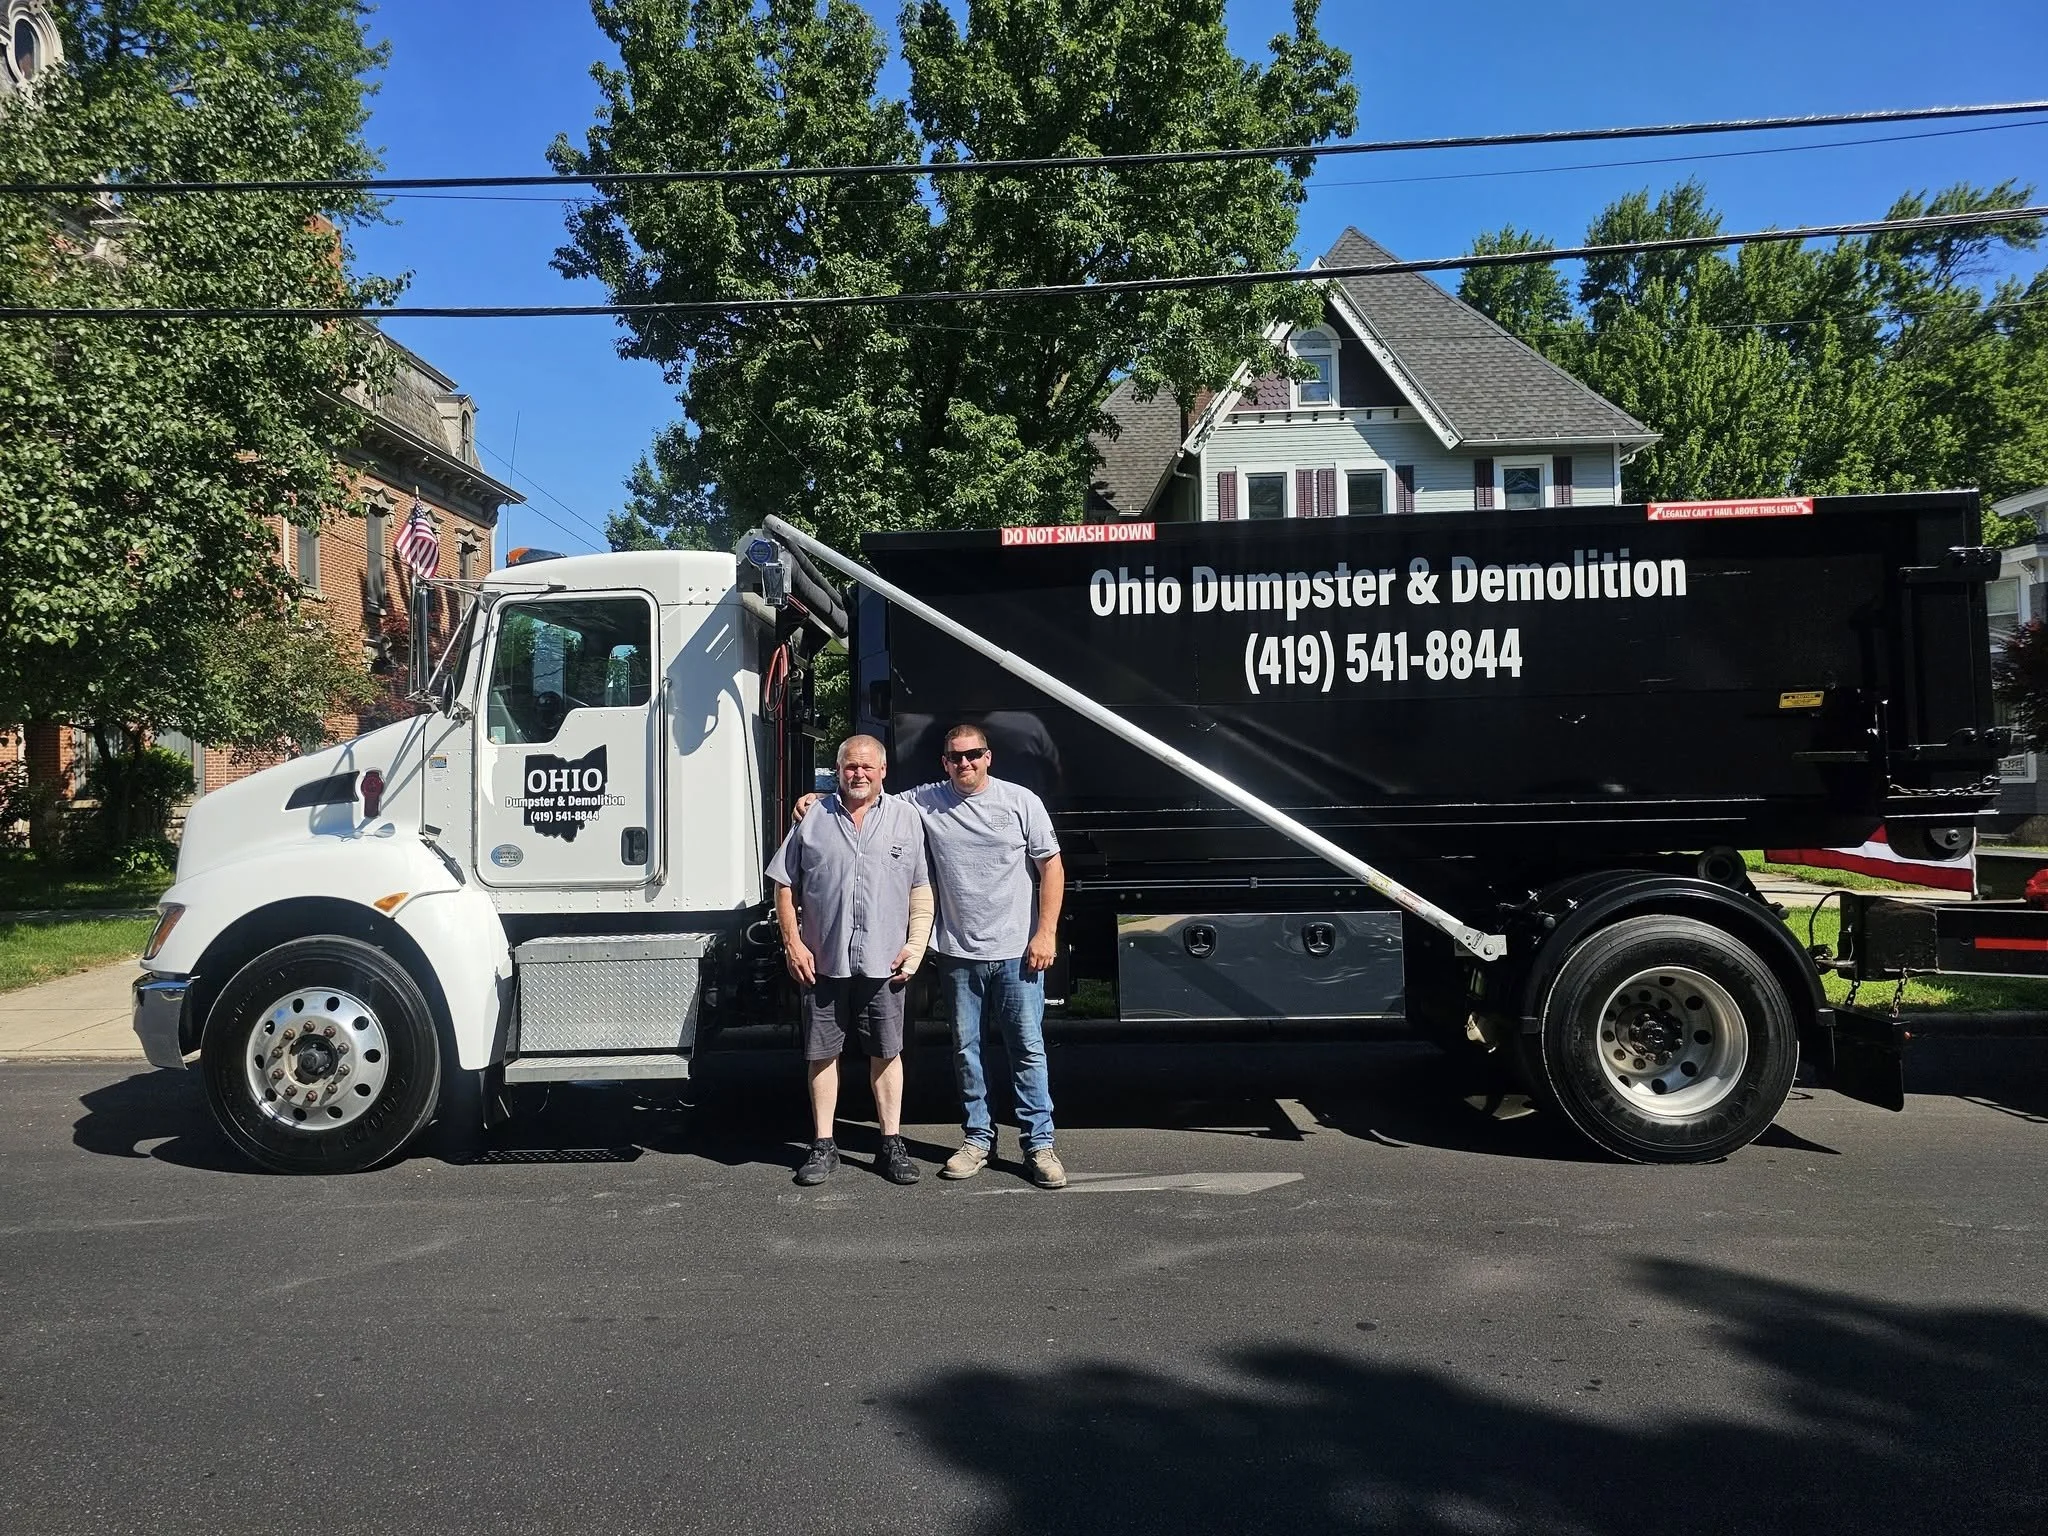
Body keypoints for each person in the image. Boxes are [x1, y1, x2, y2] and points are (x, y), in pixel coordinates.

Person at [796, 722, 1068, 1188]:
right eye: (955, 757)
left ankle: (1039, 1146)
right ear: (944, 763)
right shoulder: (926, 800)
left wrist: (1045, 934)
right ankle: (977, 1140)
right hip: (958, 954)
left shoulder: (1022, 802)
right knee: (967, 1052)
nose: (965, 763)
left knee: (1027, 1050)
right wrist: (819, 798)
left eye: (974, 754)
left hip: (1017, 953)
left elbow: (1052, 867)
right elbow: (866, 795)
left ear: (988, 757)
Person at [766, 734, 933, 1187]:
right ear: (838, 771)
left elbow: (920, 888)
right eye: (849, 767)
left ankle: (891, 1144)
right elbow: (785, 884)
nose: (858, 774)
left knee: (886, 1051)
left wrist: (916, 945)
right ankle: (823, 1146)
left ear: (882, 772)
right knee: (822, 1054)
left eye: (866, 767)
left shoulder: (906, 819)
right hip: (823, 960)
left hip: (885, 962)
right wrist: (793, 943)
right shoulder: (813, 817)